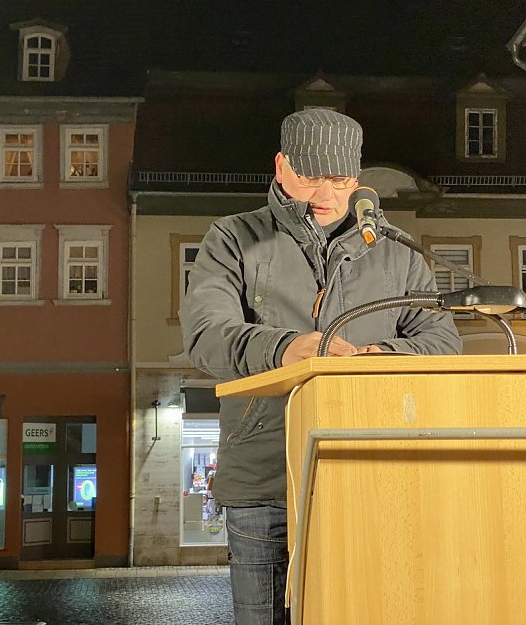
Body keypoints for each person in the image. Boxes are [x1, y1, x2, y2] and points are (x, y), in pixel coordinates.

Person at [180, 108, 462, 624]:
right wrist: (286, 349)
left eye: (340, 179)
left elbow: (442, 340)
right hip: (263, 477)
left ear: (356, 178)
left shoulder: (397, 253)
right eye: (311, 177)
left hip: (373, 471)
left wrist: (383, 357)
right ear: (281, 166)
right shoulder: (233, 238)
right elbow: (205, 336)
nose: (326, 194)